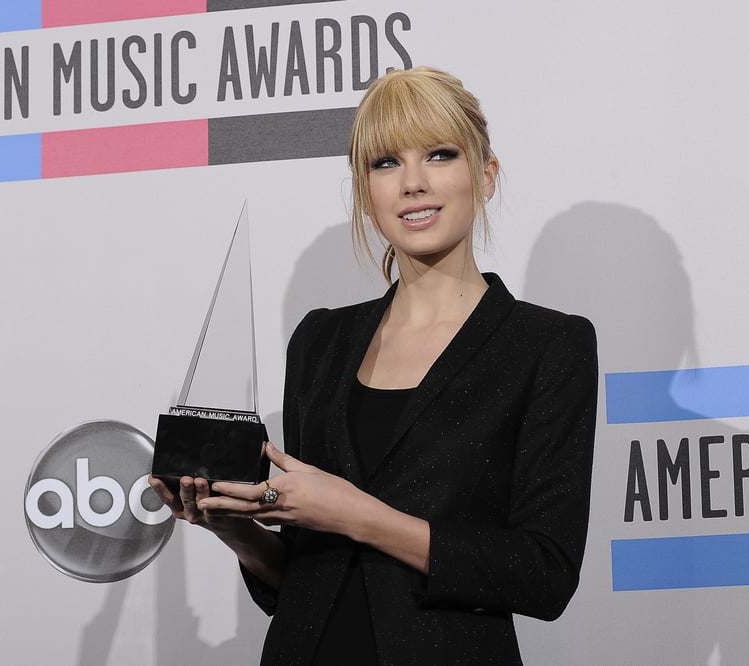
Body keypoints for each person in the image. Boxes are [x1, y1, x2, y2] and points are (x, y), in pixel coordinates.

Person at [149, 66, 598, 665]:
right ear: (365, 192)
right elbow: (304, 581)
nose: (413, 183)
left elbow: (544, 574)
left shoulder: (549, 345)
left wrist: (360, 516)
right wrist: (234, 527)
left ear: (486, 176)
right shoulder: (321, 341)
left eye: (439, 155)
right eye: (386, 163)